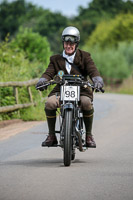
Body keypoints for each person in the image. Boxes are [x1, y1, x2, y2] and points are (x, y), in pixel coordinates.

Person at [36, 26, 104, 148]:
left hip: (81, 89)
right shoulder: (55, 59)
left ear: (76, 44)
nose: (68, 46)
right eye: (66, 43)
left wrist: (97, 80)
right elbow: (48, 72)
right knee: (50, 103)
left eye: (71, 44)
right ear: (63, 43)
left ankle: (88, 136)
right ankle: (51, 135)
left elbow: (93, 70)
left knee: (87, 103)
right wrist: (42, 80)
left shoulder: (85, 56)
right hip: (61, 89)